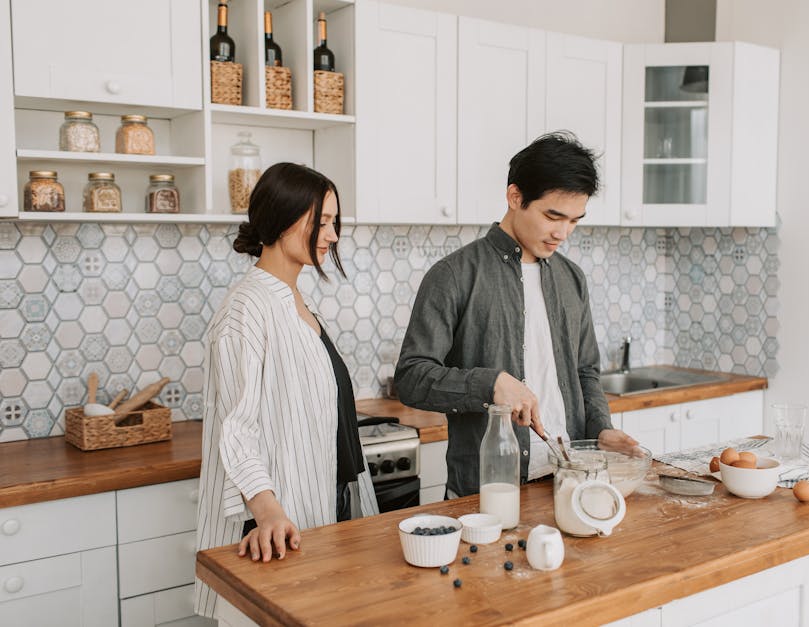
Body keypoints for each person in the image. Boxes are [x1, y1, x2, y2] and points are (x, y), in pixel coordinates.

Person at [395, 131, 641, 498]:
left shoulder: (572, 278)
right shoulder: (454, 275)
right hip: (487, 491)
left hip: (568, 482)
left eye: (575, 220)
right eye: (552, 216)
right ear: (515, 197)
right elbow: (411, 378)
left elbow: (585, 370)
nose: (563, 233)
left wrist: (600, 428)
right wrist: (490, 384)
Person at [195, 162, 378, 619]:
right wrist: (268, 511)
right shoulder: (245, 309)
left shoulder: (294, 300)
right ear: (281, 216)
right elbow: (236, 429)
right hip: (274, 526)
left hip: (319, 504)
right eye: (322, 220)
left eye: (335, 221)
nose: (333, 235)